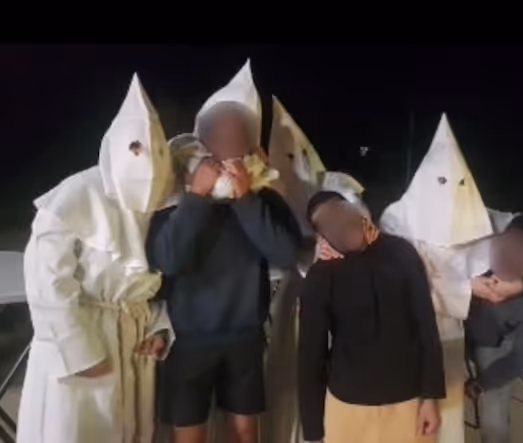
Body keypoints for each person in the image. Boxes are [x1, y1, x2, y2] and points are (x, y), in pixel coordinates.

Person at [379, 114, 523, 443]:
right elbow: (399, 285)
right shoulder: (398, 222)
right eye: (440, 183)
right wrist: (466, 289)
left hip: (452, 335)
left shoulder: (478, 219)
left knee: (446, 417)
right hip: (404, 331)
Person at [146, 60, 302, 443]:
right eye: (219, 146)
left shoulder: (263, 199)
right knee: (189, 433)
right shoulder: (177, 198)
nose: (228, 156)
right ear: (203, 145)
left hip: (245, 336)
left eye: (238, 145)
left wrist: (245, 199)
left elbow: (285, 253)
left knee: (245, 431)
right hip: (188, 339)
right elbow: (166, 259)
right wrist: (198, 197)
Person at [16, 74, 176, 443]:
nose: (145, 160)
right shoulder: (75, 196)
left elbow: (163, 277)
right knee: (77, 428)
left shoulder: (167, 197)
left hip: (134, 341)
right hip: (84, 340)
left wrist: (159, 326)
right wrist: (78, 352)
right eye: (134, 148)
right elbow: (47, 283)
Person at [261, 96, 369, 443]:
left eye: (297, 158)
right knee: (282, 377)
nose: (291, 169)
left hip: (330, 302)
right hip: (281, 301)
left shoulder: (333, 190)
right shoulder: (263, 193)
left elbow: (357, 230)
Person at [298, 191, 446, 443]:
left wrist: (430, 397)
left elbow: (426, 326)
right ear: (322, 236)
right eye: (327, 223)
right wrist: (313, 431)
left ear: (354, 210)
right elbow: (311, 355)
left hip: (407, 401)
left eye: (339, 212)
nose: (338, 224)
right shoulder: (320, 275)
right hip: (348, 406)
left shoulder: (401, 252)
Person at [464, 213, 523, 443]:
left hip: (498, 348)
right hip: (459, 333)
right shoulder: (475, 259)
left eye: (519, 258)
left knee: (494, 419)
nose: (507, 264)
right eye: (504, 252)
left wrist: (484, 382)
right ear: (498, 240)